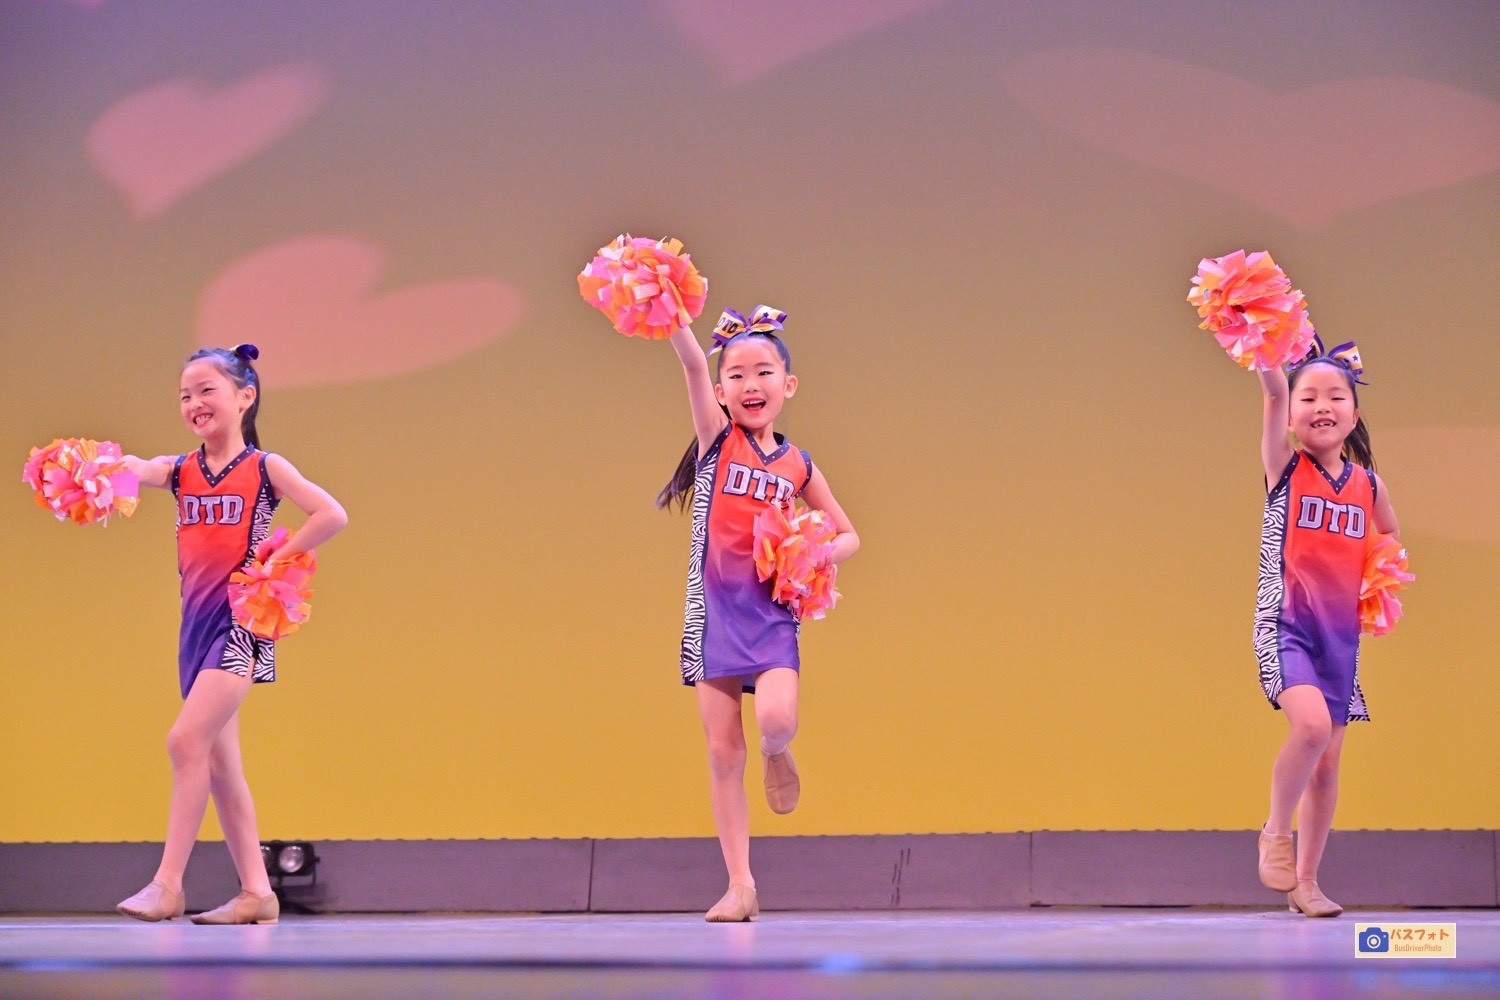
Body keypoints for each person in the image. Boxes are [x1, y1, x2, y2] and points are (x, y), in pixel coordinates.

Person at [115, 344, 347, 924]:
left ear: (245, 397)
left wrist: (276, 558)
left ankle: (168, 885)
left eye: (206, 390)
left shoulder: (265, 468)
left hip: (240, 624)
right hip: (195, 626)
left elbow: (331, 513)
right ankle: (257, 893)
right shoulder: (181, 470)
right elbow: (138, 467)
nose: (194, 403)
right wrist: (96, 466)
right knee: (220, 765)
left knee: (183, 742)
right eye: (184, 395)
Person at [658, 307, 859, 922]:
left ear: (787, 385)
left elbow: (849, 535)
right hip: (714, 614)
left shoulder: (799, 465)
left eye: (764, 372)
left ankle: (778, 750)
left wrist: (811, 552)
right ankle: (741, 884)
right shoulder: (718, 441)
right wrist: (667, 305)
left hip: (771, 615)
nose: (751, 384)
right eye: (737, 374)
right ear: (721, 393)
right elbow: (692, 363)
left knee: (775, 719)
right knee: (724, 752)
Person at [1252, 341, 1398, 918]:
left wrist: (1378, 584)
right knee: (1311, 727)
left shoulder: (1369, 486)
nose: (1322, 406)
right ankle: (1274, 834)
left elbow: (1389, 541)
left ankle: (1306, 884)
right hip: (1286, 623)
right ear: (1290, 416)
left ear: (1354, 415)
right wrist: (1260, 338)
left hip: (1341, 638)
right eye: (1308, 397)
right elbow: (1271, 390)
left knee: (1329, 765)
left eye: (1336, 396)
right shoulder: (1285, 468)